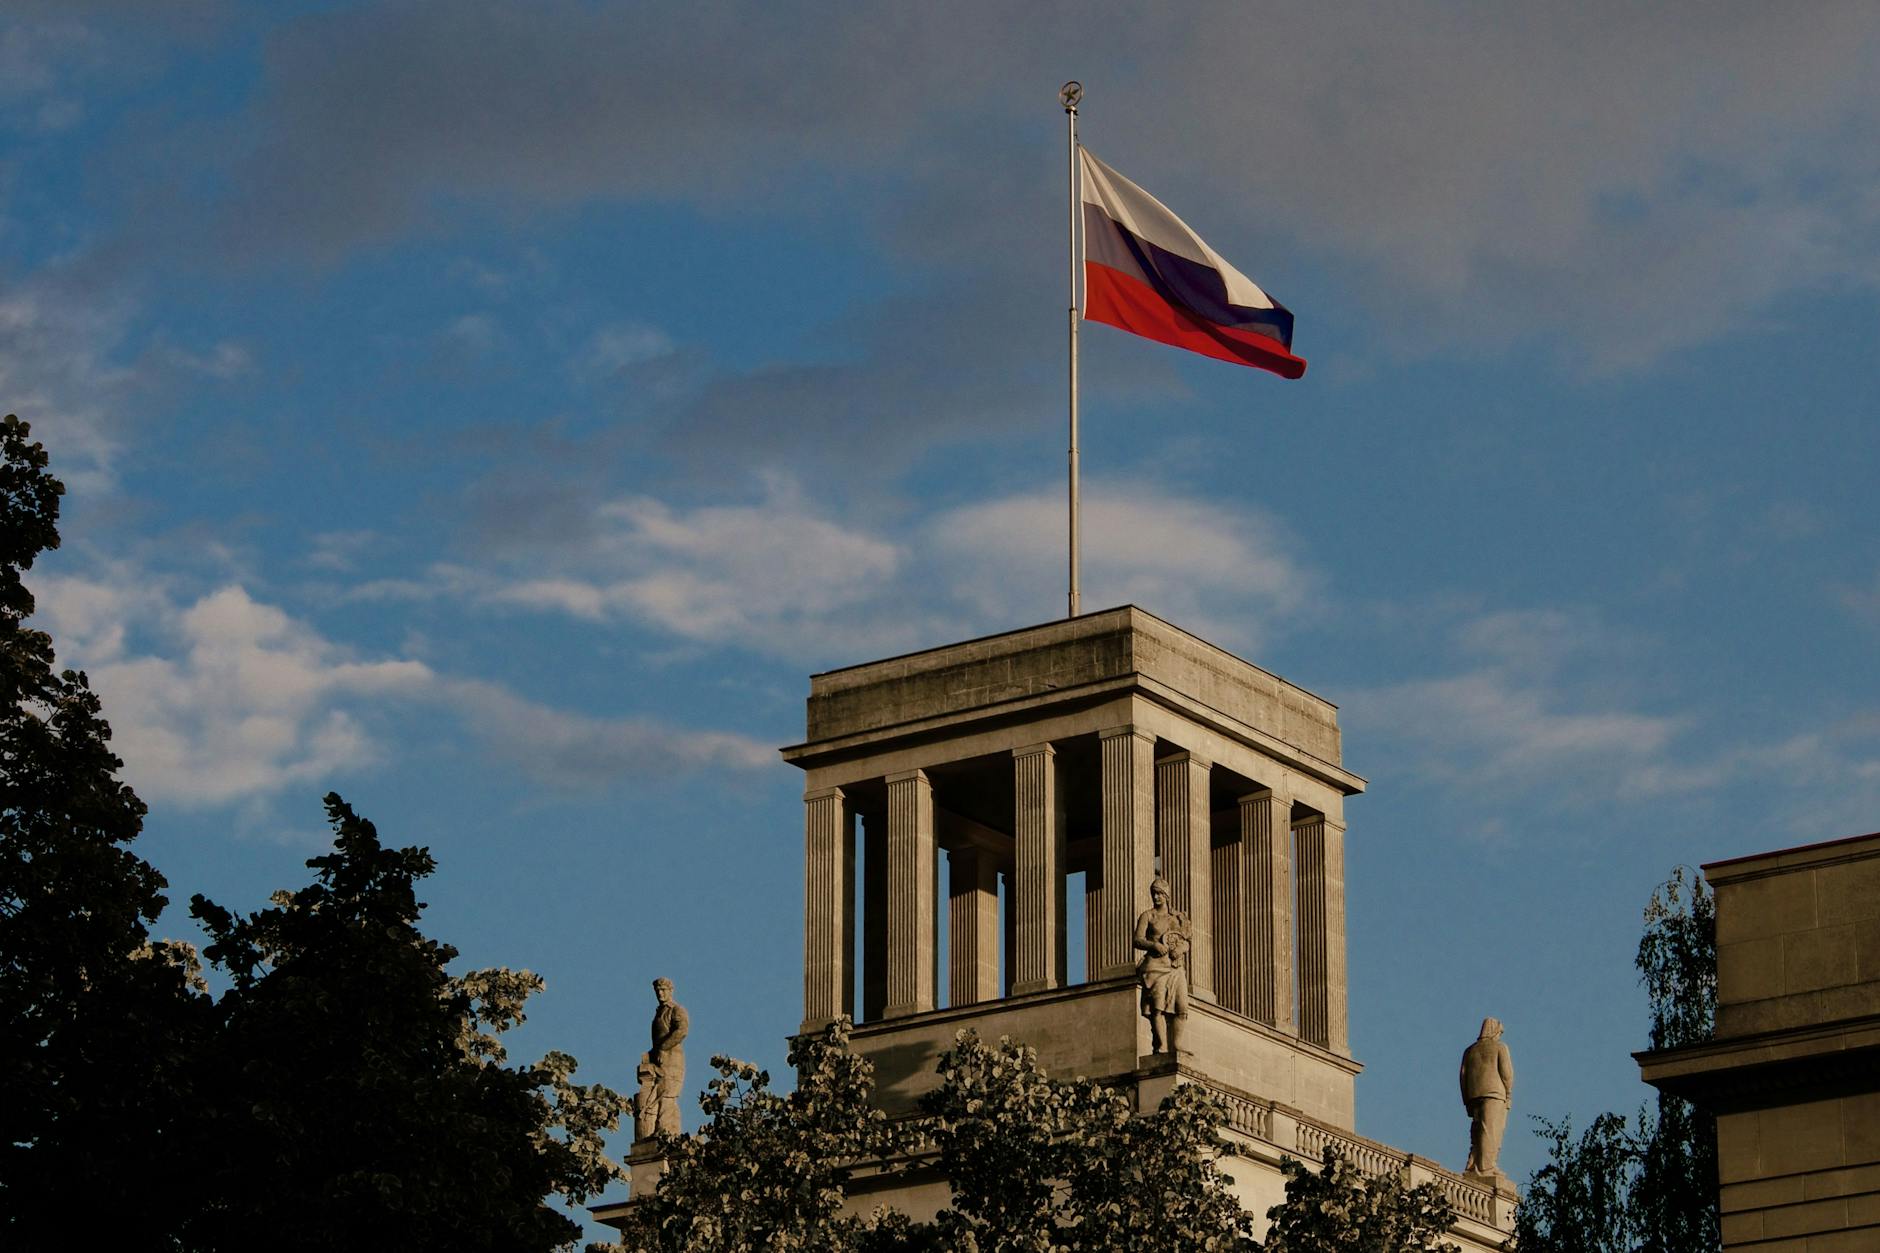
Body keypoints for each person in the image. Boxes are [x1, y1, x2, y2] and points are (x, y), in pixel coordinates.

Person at [1133, 877, 1190, 1055]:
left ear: (1166, 895)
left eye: (1159, 893)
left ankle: (1178, 1044)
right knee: (1157, 1007)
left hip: (1175, 966)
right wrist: (1154, 945)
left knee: (1182, 1007)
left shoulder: (1178, 917)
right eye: (1154, 893)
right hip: (1155, 967)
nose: (1156, 897)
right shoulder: (1148, 916)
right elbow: (1137, 939)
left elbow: (1186, 940)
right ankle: (1162, 1045)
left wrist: (1180, 949)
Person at [1459, 1016, 1514, 1175]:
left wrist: (1467, 1100)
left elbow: (1463, 1076)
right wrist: (1508, 1094)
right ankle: (1486, 1167)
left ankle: (1473, 1163)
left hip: (1474, 1096)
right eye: (1499, 1032)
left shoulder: (1469, 1051)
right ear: (1494, 1031)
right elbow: (1506, 1073)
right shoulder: (1499, 1047)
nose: (1499, 1036)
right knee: (1492, 1129)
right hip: (1494, 1094)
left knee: (1477, 1130)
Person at [649, 977, 689, 1136]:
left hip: (672, 1060)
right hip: (660, 1060)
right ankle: (669, 1131)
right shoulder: (660, 1011)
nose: (660, 993)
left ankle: (664, 1131)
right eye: (657, 990)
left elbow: (682, 1030)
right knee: (662, 1094)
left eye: (663, 990)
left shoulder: (676, 1010)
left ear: (671, 991)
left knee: (667, 1094)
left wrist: (663, 1049)